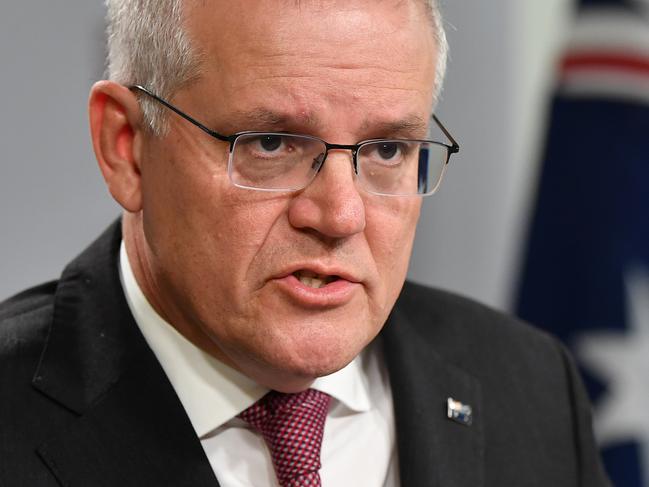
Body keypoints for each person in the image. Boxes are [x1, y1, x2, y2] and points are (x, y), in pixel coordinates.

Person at [0, 0, 610, 486]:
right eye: (271, 144)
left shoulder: (529, 384)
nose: (341, 215)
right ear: (126, 146)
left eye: (387, 150)